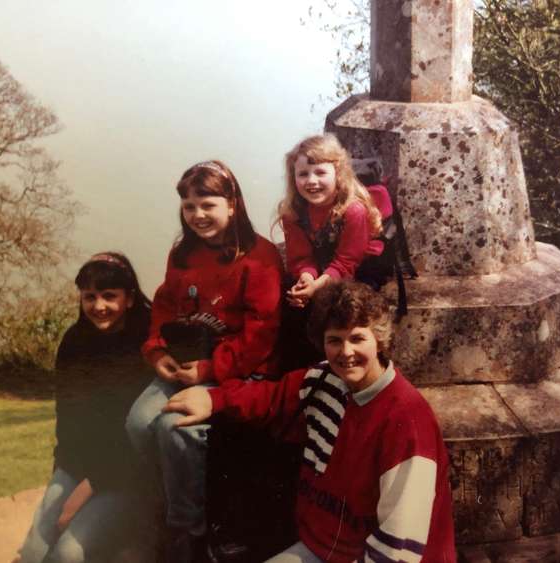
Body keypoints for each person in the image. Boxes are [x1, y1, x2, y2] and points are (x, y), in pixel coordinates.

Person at [165, 281, 456, 563]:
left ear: (378, 339)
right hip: (321, 547)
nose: (346, 352)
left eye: (357, 338)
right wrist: (215, 400)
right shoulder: (325, 379)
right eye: (334, 340)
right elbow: (272, 397)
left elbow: (400, 548)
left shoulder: (407, 419)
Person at [125, 160, 283, 562]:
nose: (197, 215)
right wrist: (157, 351)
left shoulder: (259, 257)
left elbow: (260, 333)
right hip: (185, 362)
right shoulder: (183, 254)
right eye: (189, 206)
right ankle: (169, 500)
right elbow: (164, 305)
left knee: (174, 426)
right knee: (138, 423)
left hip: (236, 369)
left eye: (207, 204)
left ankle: (189, 530)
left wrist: (210, 371)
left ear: (232, 204)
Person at [16, 252, 154, 563]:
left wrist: (86, 491)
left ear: (129, 298)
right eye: (89, 296)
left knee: (67, 554)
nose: (98, 306)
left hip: (129, 477)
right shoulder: (74, 343)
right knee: (33, 554)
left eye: (109, 296)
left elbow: (136, 437)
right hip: (79, 466)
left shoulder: (147, 345)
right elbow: (69, 423)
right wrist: (64, 484)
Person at [276, 133, 395, 371]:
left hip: (359, 268)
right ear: (293, 178)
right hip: (323, 264)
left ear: (338, 174)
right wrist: (306, 279)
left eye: (321, 173)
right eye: (303, 174)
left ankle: (338, 365)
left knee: (340, 309)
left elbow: (346, 263)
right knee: (288, 303)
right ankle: (296, 369)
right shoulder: (293, 212)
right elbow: (301, 257)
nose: (311, 181)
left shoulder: (354, 211)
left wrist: (317, 287)